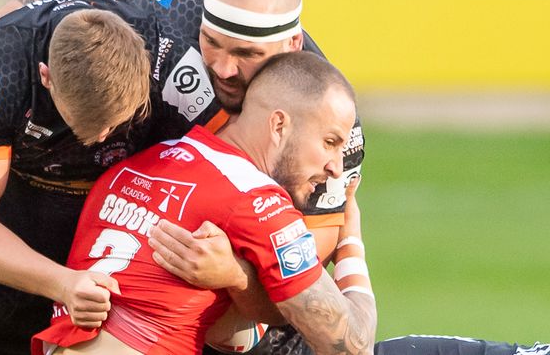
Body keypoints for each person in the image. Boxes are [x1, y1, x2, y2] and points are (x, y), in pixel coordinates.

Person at [0, 0, 366, 355]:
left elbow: (294, 299)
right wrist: (62, 282)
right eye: (213, 44)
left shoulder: (323, 120)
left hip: (118, 264)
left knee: (246, 335)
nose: (225, 70)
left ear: (291, 46)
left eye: (248, 55)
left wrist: (235, 275)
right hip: (0, 226)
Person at [32, 51, 377, 355]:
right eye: (330, 142)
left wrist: (236, 277)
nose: (335, 167)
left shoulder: (134, 167)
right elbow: (352, 345)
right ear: (279, 125)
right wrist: (350, 242)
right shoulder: (256, 200)